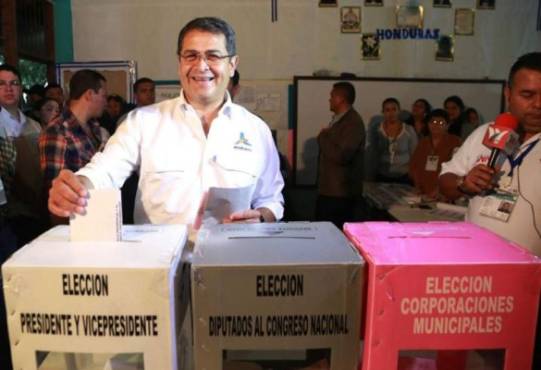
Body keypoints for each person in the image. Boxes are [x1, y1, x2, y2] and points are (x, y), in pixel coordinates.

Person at [47, 17, 284, 225]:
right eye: (191, 55)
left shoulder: (255, 130)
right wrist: (76, 186)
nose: (201, 66)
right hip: (162, 268)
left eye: (213, 55)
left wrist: (262, 215)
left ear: (232, 65)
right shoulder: (142, 122)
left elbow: (272, 198)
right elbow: (105, 171)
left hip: (230, 265)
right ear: (180, 63)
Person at [439, 50, 541, 370]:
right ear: (507, 93)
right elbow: (445, 179)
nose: (538, 104)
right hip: (475, 284)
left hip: (529, 289)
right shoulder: (484, 135)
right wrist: (464, 184)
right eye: (527, 95)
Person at [40, 69, 109, 224]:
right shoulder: (57, 131)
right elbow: (55, 191)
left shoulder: (95, 128)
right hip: (75, 221)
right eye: (103, 96)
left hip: (98, 215)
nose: (106, 102)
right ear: (89, 94)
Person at [315, 81, 365, 228]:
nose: (329, 99)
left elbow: (341, 155)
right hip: (330, 190)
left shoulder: (353, 122)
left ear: (341, 99)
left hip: (340, 195)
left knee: (334, 236)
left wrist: (322, 137)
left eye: (332, 96)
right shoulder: (339, 119)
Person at [409, 109, 461, 199]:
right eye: (433, 122)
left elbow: (458, 169)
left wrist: (441, 190)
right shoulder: (423, 142)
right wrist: (417, 186)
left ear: (448, 125)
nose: (436, 125)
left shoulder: (455, 142)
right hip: (422, 192)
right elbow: (414, 166)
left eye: (441, 123)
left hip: (445, 193)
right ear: (428, 124)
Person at [367, 97, 418, 183]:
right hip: (382, 174)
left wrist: (415, 177)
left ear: (399, 111)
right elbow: (373, 154)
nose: (391, 113)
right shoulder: (377, 130)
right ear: (383, 112)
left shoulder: (409, 130)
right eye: (387, 110)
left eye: (394, 109)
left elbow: (415, 155)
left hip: (404, 175)